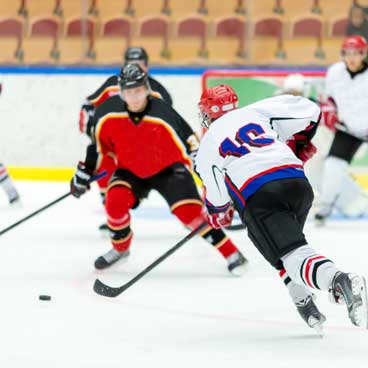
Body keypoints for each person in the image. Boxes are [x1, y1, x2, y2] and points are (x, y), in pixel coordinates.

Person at [195, 84, 367, 332]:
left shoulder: (209, 142)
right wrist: (297, 145)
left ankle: (339, 280)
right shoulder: (256, 112)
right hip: (298, 185)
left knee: (293, 255)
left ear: (208, 112)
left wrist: (217, 214)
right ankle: (303, 301)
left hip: (264, 195)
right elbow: (310, 110)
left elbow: (218, 199)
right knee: (280, 246)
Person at [70, 64, 248, 276]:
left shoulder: (163, 112)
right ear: (121, 91)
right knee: (114, 201)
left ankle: (232, 253)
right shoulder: (106, 112)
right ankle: (120, 249)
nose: (134, 97)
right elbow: (97, 147)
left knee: (190, 213)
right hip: (130, 170)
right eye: (128, 91)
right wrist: (84, 173)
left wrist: (208, 177)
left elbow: (191, 143)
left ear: (146, 89)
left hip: (169, 169)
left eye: (137, 90)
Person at [79, 47, 173, 232]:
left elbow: (168, 120)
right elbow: (88, 105)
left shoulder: (157, 90)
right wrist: (93, 128)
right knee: (104, 165)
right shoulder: (112, 84)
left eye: (139, 65)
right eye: (131, 65)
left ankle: (187, 207)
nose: (135, 69)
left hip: (144, 150)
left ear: (146, 66)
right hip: (115, 146)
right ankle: (113, 215)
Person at [315, 35, 368, 224]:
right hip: (348, 129)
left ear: (364, 54)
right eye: (348, 53)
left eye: (357, 53)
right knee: (332, 166)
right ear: (342, 54)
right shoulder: (335, 72)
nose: (352, 58)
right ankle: (326, 205)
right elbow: (328, 97)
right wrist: (328, 109)